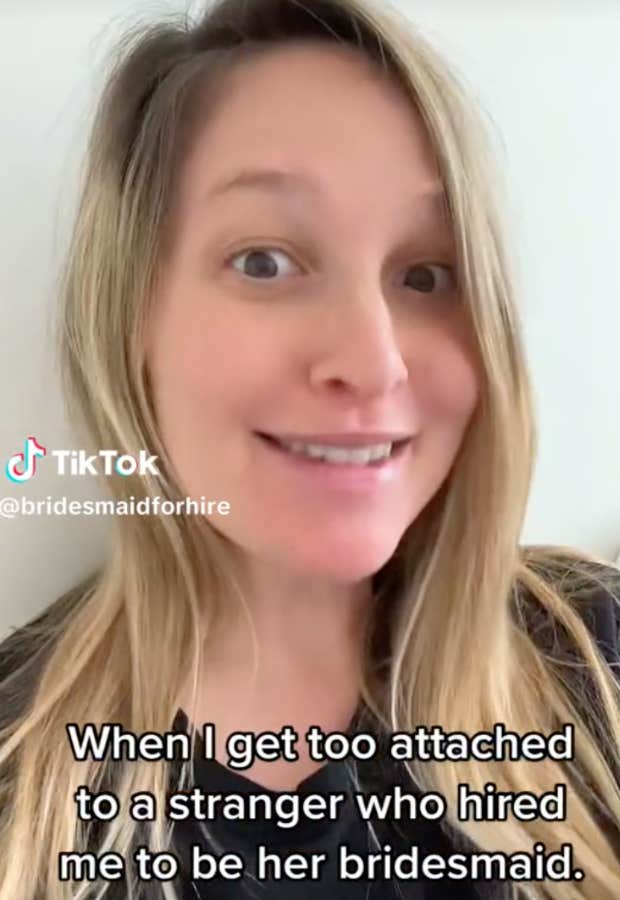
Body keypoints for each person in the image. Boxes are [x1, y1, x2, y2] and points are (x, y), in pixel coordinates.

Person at [0, 0, 619, 897]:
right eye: (265, 262)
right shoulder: (18, 767)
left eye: (425, 275)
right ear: (132, 315)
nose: (373, 364)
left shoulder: (598, 659)